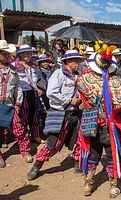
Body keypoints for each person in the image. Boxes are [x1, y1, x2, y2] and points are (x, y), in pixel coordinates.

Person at [77, 45, 121, 197]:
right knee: (111, 155)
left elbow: (83, 98)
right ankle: (113, 186)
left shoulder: (84, 79)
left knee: (92, 153)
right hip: (111, 125)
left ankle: (88, 184)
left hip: (91, 123)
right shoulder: (117, 82)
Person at [27, 50, 83, 180]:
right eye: (76, 61)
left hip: (75, 113)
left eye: (79, 60)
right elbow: (51, 93)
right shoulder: (58, 74)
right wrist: (69, 100)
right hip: (59, 113)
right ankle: (37, 165)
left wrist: (80, 100)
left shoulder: (77, 75)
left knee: (80, 139)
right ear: (68, 62)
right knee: (53, 142)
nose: (78, 63)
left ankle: (77, 162)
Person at [12, 45, 44, 148]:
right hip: (22, 95)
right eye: (26, 53)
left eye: (30, 53)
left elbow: (39, 79)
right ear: (20, 54)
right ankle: (22, 138)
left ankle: (35, 136)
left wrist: (41, 89)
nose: (28, 55)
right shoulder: (14, 66)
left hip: (33, 94)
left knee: (34, 115)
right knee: (22, 117)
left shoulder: (34, 66)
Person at [0, 40, 23, 167]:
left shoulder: (13, 69)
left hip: (9, 104)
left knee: (18, 128)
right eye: (4, 54)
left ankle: (25, 151)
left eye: (7, 54)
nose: (8, 56)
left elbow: (18, 87)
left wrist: (18, 103)